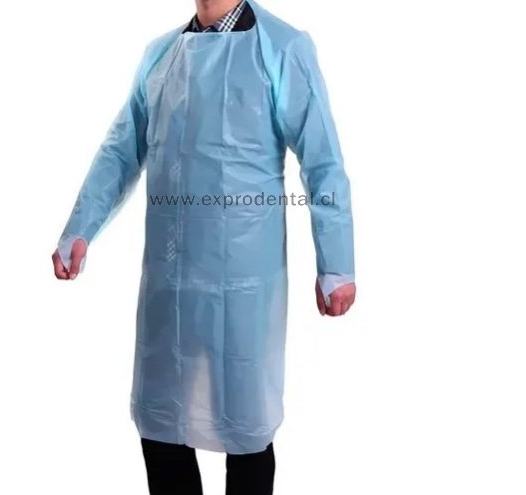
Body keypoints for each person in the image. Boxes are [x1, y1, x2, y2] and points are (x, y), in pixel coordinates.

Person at [52, 0, 356, 493]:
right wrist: (80, 228)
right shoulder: (161, 55)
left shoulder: (280, 49)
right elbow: (122, 149)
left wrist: (336, 264)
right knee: (161, 425)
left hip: (244, 282)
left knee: (247, 428)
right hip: (169, 280)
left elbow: (322, 159)